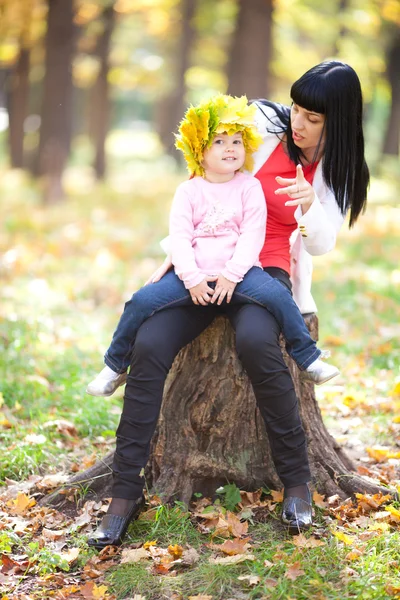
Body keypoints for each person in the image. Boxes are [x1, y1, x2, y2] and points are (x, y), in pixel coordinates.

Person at [87, 60, 369, 548]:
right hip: (202, 267)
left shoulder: (338, 169)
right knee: (150, 344)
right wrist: (180, 261)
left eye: (313, 119)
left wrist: (308, 204)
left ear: (339, 121)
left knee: (259, 343)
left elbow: (322, 245)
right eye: (297, 110)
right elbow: (204, 171)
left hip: (265, 273)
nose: (298, 124)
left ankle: (297, 482)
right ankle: (123, 494)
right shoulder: (261, 124)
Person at [86, 95, 339, 400]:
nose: (230, 148)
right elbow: (179, 236)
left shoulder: (249, 187)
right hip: (194, 272)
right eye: (219, 142)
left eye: (236, 141)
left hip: (242, 272)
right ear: (199, 151)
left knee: (278, 297)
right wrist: (189, 276)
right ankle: (114, 366)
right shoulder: (188, 191)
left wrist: (233, 274)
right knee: (140, 301)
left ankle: (309, 358)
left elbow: (252, 235)